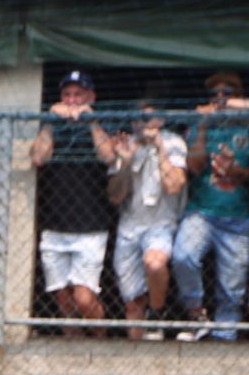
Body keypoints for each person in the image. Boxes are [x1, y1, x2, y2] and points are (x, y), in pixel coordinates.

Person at [31, 70, 117, 331]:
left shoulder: (102, 123)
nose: (71, 100)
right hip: (55, 224)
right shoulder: (52, 125)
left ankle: (101, 341)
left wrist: (90, 120)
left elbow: (108, 156)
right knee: (64, 299)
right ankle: (73, 345)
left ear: (91, 96)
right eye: (67, 94)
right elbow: (38, 158)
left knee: (83, 297)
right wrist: (50, 122)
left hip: (90, 225)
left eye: (78, 94)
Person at [173, 73, 249, 339]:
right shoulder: (201, 124)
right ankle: (196, 313)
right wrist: (203, 126)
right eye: (214, 94)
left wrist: (236, 171)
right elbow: (194, 168)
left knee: (232, 287)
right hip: (202, 212)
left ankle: (224, 340)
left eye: (226, 93)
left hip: (239, 216)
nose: (220, 99)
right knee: (183, 256)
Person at [107, 105, 189, 333]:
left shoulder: (173, 143)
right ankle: (138, 357)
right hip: (129, 226)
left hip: (160, 223)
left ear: (160, 120)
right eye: (138, 119)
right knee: (133, 304)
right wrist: (124, 162)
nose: (143, 124)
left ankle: (157, 314)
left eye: (148, 118)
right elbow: (114, 196)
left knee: (154, 263)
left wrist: (159, 147)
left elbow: (174, 186)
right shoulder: (127, 144)